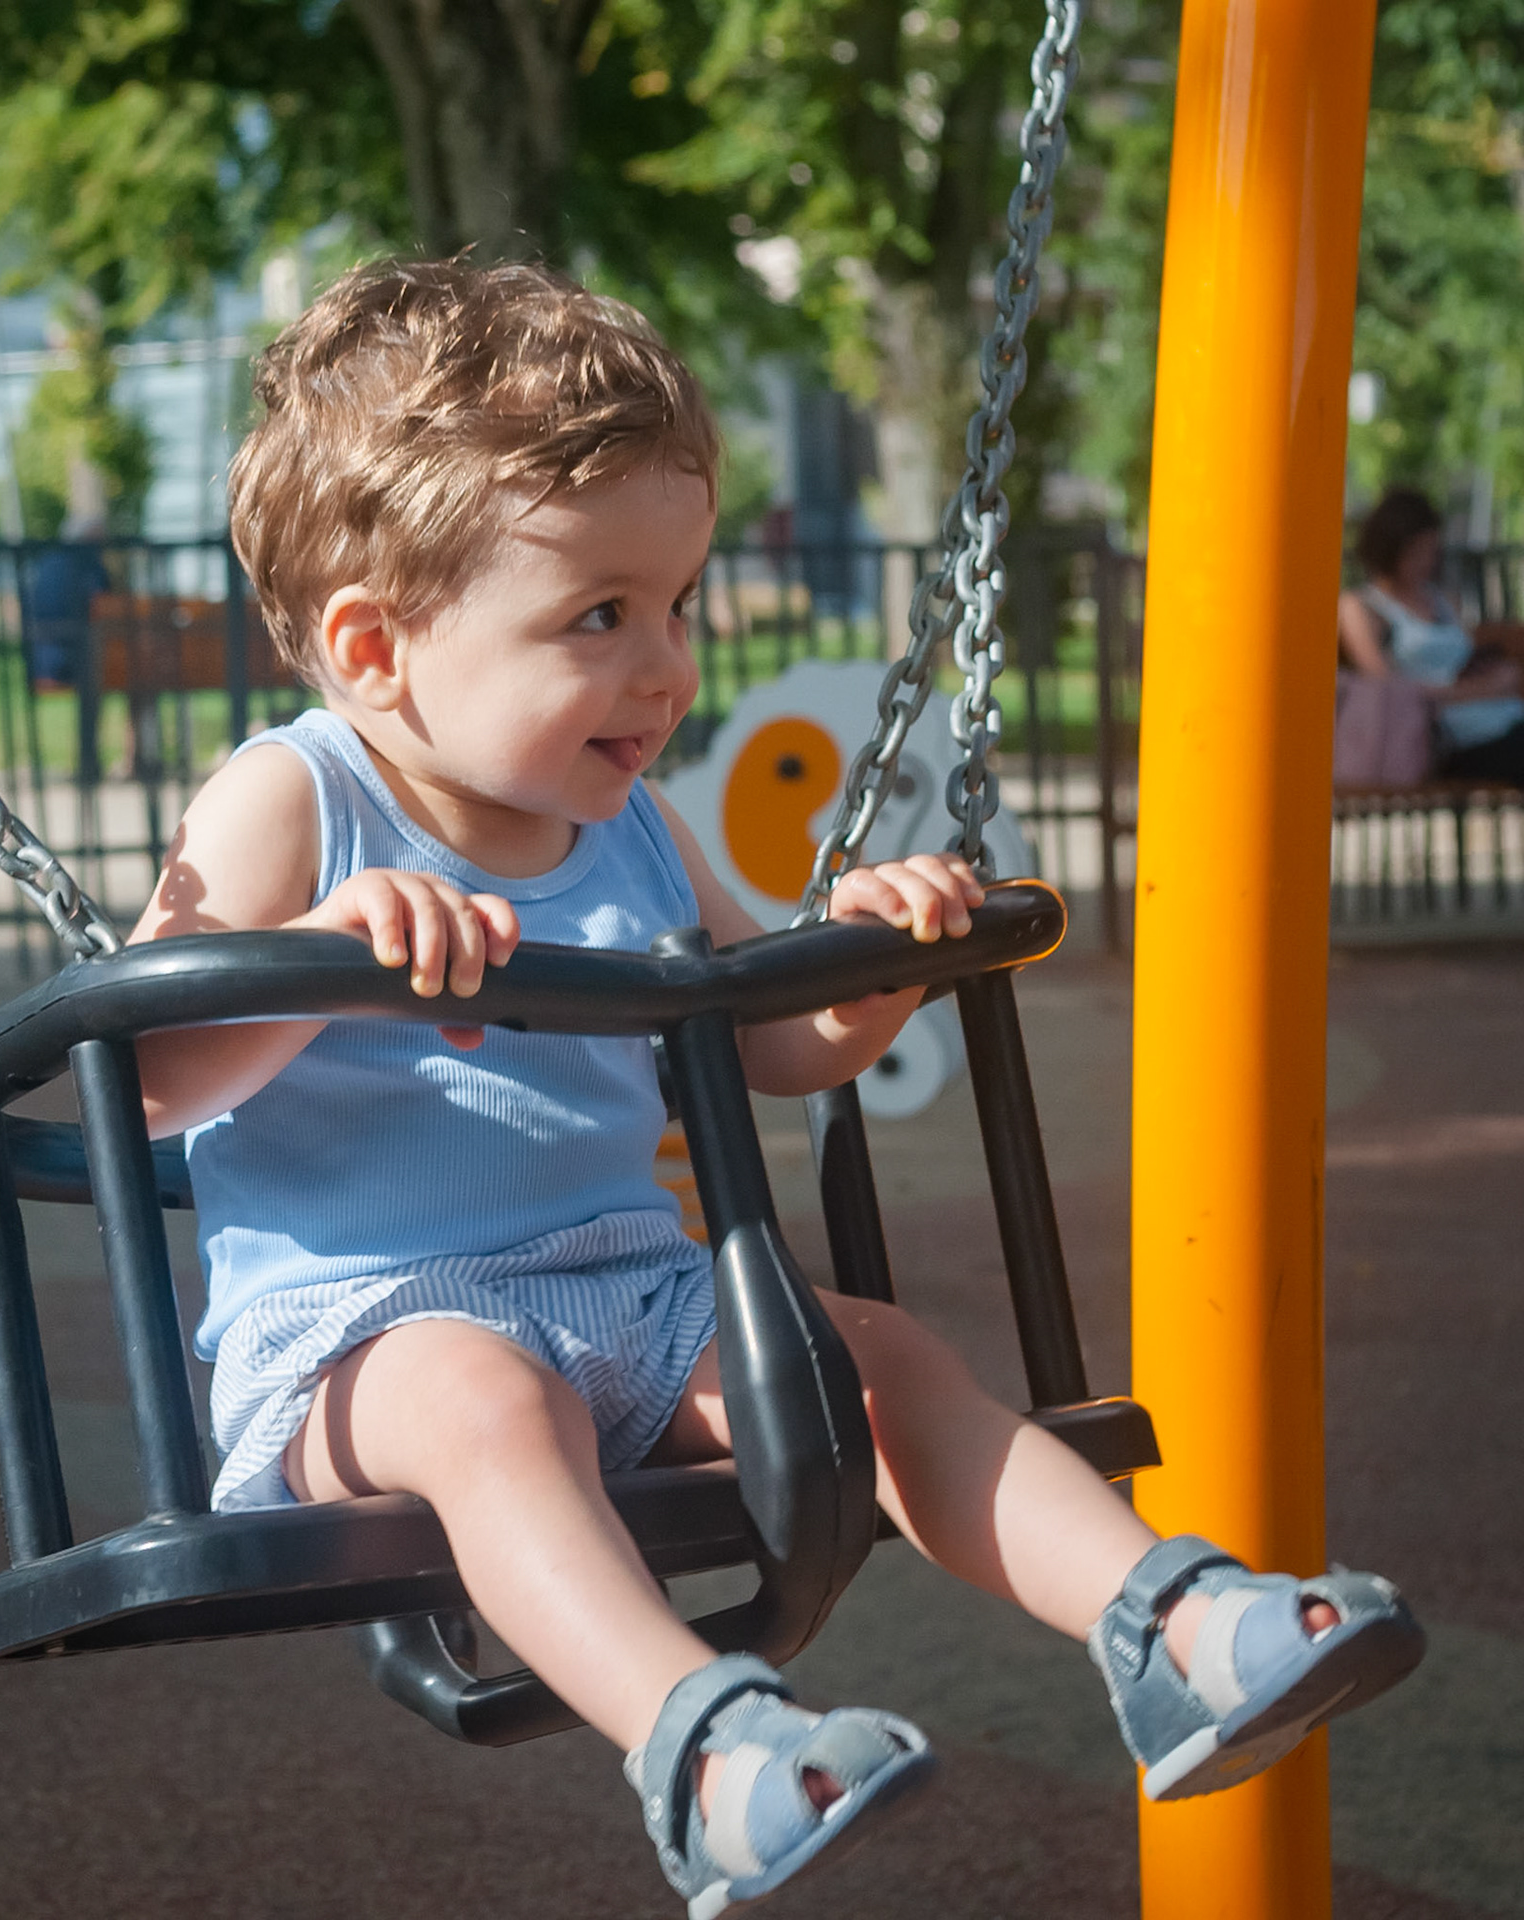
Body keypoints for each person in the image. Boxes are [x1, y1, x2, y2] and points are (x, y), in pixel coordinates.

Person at [131, 260, 1424, 1917]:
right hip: (363, 1340)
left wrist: (865, 971)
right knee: (484, 1404)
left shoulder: (638, 831)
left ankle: (1176, 1624)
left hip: (633, 1294)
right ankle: (706, 1751)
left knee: (867, 1359)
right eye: (601, 615)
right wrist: (320, 949)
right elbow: (152, 1079)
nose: (667, 667)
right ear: (378, 651)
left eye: (680, 602)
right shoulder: (295, 802)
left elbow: (764, 1040)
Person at [1337, 488, 1524, 786]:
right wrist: (1481, 689)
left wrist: (1496, 676)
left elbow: (1463, 661)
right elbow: (1386, 687)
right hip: (1440, 738)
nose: (1426, 561)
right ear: (1391, 548)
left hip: (1502, 719)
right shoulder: (1362, 607)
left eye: (1431, 551)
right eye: (1416, 551)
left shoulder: (1443, 601)